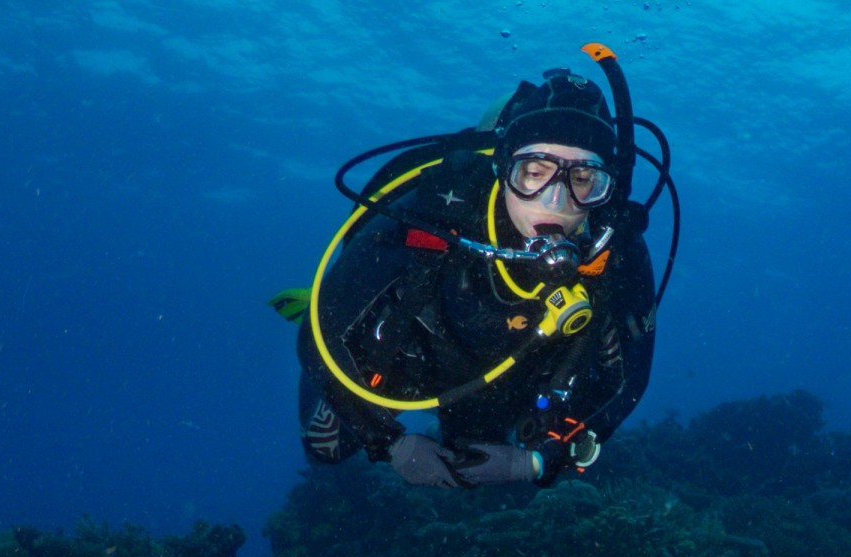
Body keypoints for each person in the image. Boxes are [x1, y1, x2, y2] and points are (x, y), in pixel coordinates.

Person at [287, 49, 671, 488]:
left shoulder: (614, 251)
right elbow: (316, 337)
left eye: (583, 180)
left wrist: (539, 464)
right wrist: (388, 443)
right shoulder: (434, 212)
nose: (556, 201)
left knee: (473, 456)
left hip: (500, 384)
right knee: (326, 448)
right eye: (534, 172)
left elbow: (629, 382)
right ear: (502, 168)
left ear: (607, 189)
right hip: (403, 361)